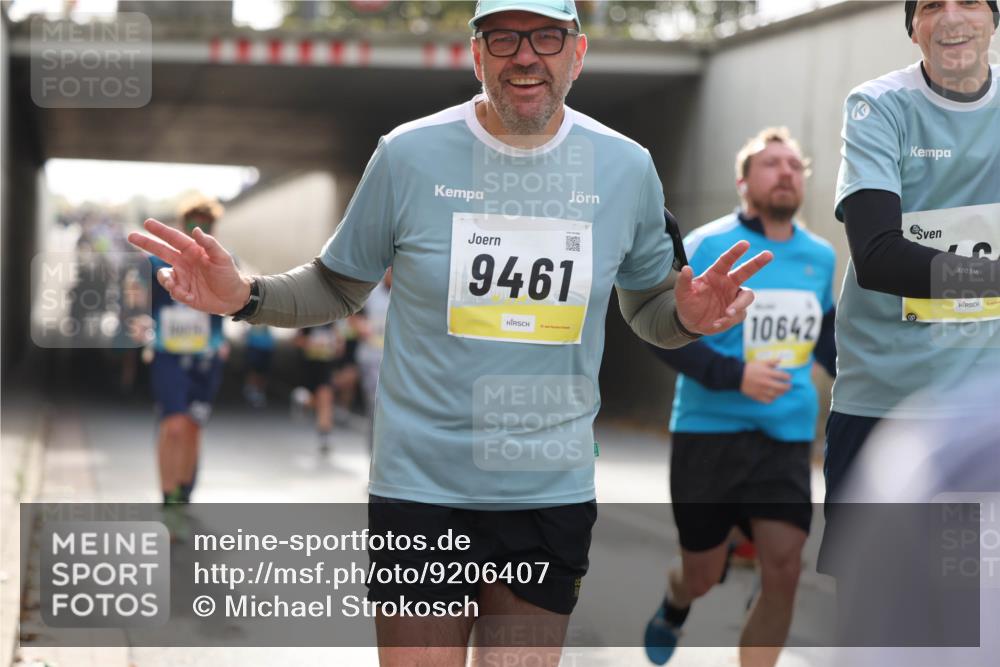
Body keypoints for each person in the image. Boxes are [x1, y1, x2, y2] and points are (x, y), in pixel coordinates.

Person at [129, 1, 772, 663]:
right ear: (476, 55)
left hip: (547, 490)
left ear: (577, 55)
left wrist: (688, 319)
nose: (526, 55)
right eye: (503, 38)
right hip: (421, 488)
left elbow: (650, 310)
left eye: (546, 37)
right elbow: (338, 283)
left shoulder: (625, 168)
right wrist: (247, 296)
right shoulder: (408, 155)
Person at [643, 128, 836, 667]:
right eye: (771, 164)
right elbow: (660, 334)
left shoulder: (820, 257)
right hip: (709, 431)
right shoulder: (707, 244)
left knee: (785, 569)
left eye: (794, 165)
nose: (785, 172)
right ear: (743, 181)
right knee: (701, 575)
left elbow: (825, 339)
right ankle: (677, 600)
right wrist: (736, 375)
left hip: (785, 434)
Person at [821, 0, 1000, 576]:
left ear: (994, 19)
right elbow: (877, 257)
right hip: (885, 403)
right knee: (875, 601)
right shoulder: (878, 105)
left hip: (983, 410)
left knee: (971, 602)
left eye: (969, 1)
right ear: (912, 28)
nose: (951, 17)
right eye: (931, 5)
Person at [145, 196, 228, 506]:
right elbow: (142, 305)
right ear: (183, 227)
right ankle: (168, 496)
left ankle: (184, 490)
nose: (200, 231)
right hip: (167, 354)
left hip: (206, 358)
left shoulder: (223, 263)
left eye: (206, 226)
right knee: (174, 425)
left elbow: (230, 307)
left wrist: (221, 341)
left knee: (192, 427)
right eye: (193, 225)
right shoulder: (157, 263)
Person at [242, 323, 274, 408]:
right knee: (253, 370)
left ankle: (260, 392)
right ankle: (252, 391)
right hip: (254, 344)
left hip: (267, 345)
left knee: (264, 372)